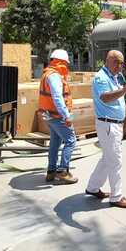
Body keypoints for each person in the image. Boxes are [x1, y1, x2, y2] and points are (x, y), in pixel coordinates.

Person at [86, 50, 126, 208]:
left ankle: (93, 187)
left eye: (121, 63)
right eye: (116, 62)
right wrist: (123, 90)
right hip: (108, 125)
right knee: (115, 161)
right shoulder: (101, 77)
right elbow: (105, 98)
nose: (120, 66)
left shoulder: (112, 77)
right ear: (107, 61)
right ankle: (116, 197)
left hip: (112, 124)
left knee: (107, 159)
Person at [39, 49, 78, 185]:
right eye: (66, 63)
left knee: (55, 142)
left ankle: (51, 171)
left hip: (50, 115)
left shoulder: (47, 73)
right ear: (61, 62)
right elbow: (57, 97)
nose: (67, 66)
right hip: (58, 115)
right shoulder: (54, 76)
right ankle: (63, 171)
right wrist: (67, 116)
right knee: (71, 141)